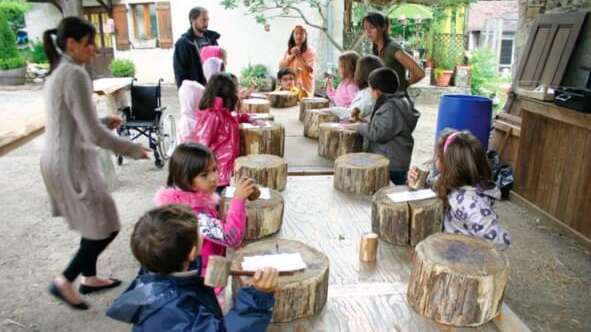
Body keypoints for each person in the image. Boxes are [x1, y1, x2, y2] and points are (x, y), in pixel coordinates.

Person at [41, 17, 150, 310]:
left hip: (59, 158)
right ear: (71, 43)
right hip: (70, 162)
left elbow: (73, 122)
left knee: (93, 223)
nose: (94, 49)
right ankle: (66, 280)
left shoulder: (59, 72)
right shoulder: (74, 75)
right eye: (89, 44)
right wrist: (131, 148)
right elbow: (89, 132)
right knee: (107, 224)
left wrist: (102, 121)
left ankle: (89, 277)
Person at [106, 205, 278, 332]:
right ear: (192, 253)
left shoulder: (158, 268)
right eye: (199, 232)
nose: (202, 234)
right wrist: (256, 299)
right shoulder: (175, 313)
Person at [154, 143, 255, 278]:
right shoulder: (188, 214)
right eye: (204, 175)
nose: (214, 178)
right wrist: (238, 200)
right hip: (206, 277)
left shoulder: (198, 199)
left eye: (214, 169)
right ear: (186, 179)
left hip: (212, 265)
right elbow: (230, 237)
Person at [408, 131, 512, 250]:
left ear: (450, 166)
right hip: (445, 247)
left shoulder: (471, 205)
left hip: (462, 261)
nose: (435, 159)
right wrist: (415, 179)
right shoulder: (450, 182)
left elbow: (502, 241)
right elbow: (431, 186)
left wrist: (473, 247)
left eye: (438, 156)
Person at [354, 68, 419, 185]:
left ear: (377, 92)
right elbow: (386, 126)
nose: (369, 92)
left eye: (370, 89)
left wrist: (358, 126)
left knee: (391, 190)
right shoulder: (398, 103)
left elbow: (377, 133)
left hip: (391, 163)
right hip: (397, 159)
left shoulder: (390, 108)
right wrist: (363, 121)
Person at [189, 73, 244, 193]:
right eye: (235, 90)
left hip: (226, 170)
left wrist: (249, 118)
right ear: (227, 93)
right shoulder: (213, 116)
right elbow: (202, 145)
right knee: (218, 204)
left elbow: (235, 119)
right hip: (217, 174)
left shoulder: (224, 113)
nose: (237, 94)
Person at [363, 12, 425, 93]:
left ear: (383, 27)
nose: (368, 31)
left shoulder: (392, 48)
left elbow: (419, 73)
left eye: (371, 27)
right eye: (365, 28)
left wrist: (403, 86)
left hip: (395, 100)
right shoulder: (375, 48)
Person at [173, 6, 221, 87]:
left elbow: (219, 64)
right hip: (195, 90)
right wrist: (185, 92)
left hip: (213, 89)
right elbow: (180, 72)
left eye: (207, 19)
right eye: (203, 20)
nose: (206, 23)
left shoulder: (212, 39)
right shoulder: (183, 43)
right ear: (193, 20)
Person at [331, 55, 384, 121]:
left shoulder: (369, 95)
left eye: (357, 70)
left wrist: (331, 110)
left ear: (362, 73)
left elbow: (351, 114)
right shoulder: (368, 91)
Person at [279, 25, 315, 97]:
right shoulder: (288, 50)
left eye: (301, 33)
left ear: (305, 35)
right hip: (290, 86)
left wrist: (298, 56)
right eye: (296, 33)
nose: (298, 36)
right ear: (293, 35)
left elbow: (308, 70)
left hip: (305, 87)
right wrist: (292, 55)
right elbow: (281, 67)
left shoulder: (310, 51)